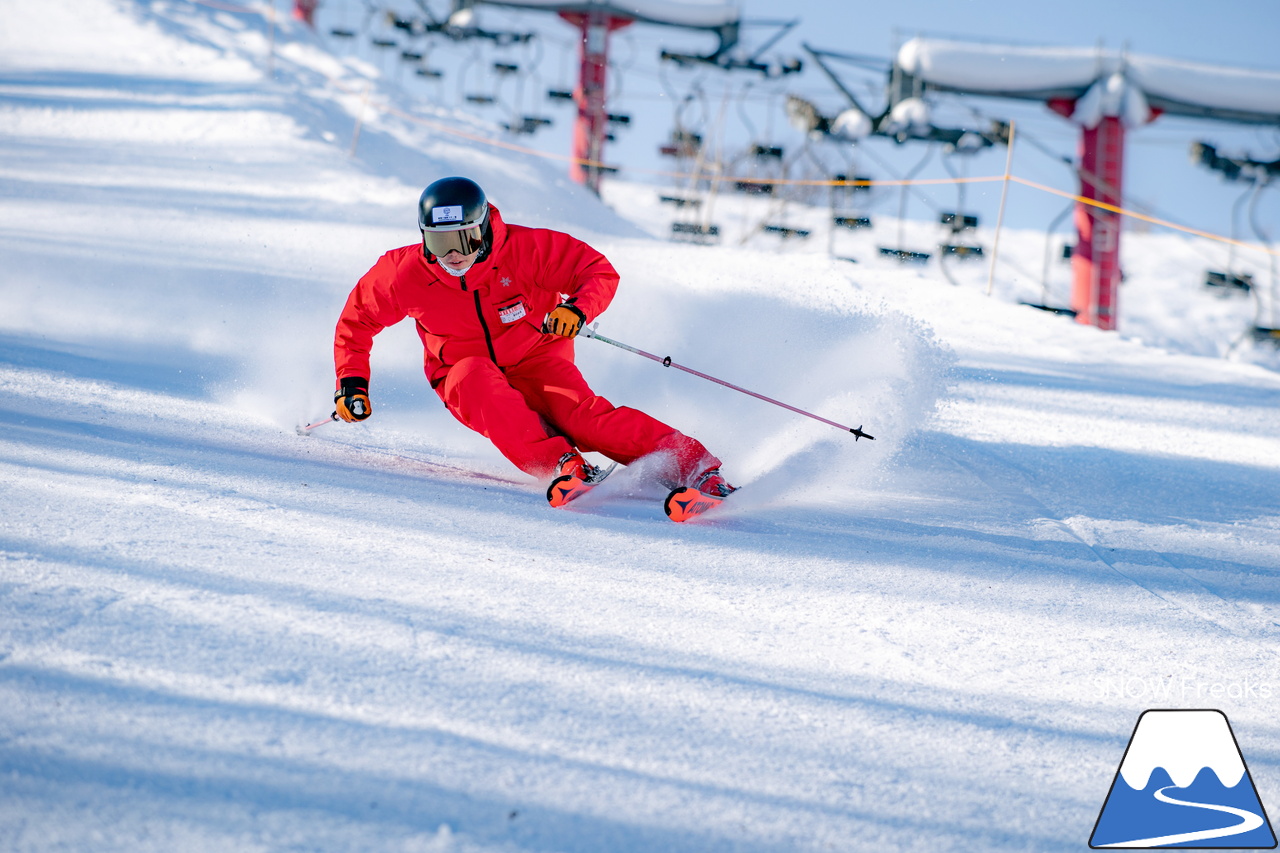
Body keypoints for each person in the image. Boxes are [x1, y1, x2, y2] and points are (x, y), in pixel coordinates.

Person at [332, 176, 735, 503]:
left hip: (538, 359)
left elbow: (596, 271)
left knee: (584, 419)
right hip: (462, 372)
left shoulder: (524, 250)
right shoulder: (403, 273)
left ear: (484, 228)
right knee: (474, 375)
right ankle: (564, 464)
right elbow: (357, 321)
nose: (453, 255)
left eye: (465, 239)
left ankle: (697, 469)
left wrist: (576, 309)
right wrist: (351, 382)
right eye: (440, 242)